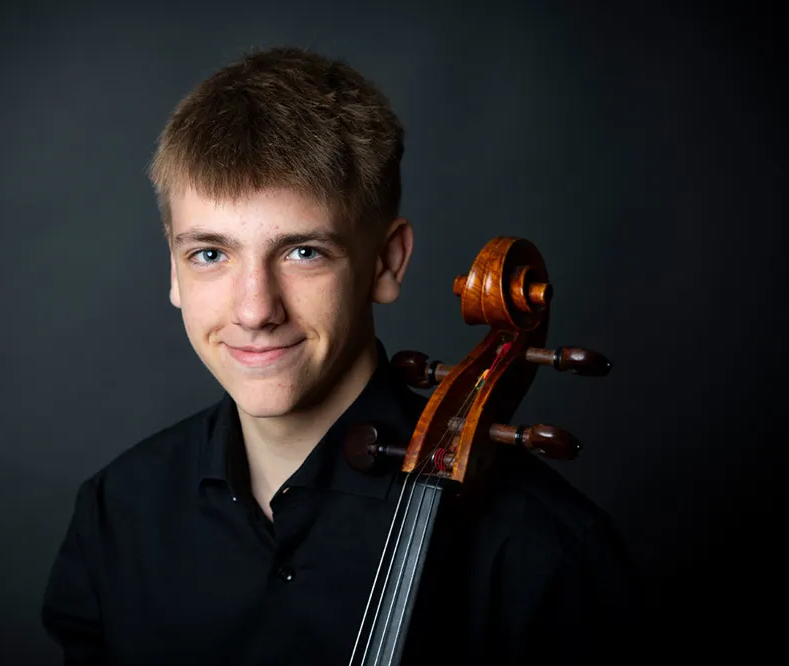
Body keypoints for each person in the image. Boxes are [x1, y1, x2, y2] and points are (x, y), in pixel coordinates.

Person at [40, 46, 642, 665]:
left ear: (387, 263)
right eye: (211, 254)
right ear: (173, 267)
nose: (254, 309)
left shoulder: (539, 550)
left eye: (303, 252)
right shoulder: (118, 513)